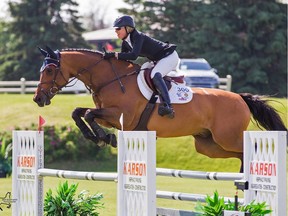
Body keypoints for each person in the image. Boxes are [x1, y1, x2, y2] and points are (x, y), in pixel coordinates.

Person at [103, 15, 179, 119]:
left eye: (118, 29)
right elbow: (124, 60)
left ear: (127, 28)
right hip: (157, 60)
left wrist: (114, 54)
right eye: (115, 29)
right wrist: (110, 59)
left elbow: (133, 56)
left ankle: (168, 106)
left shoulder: (138, 36)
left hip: (169, 56)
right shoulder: (125, 42)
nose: (116, 31)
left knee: (155, 75)